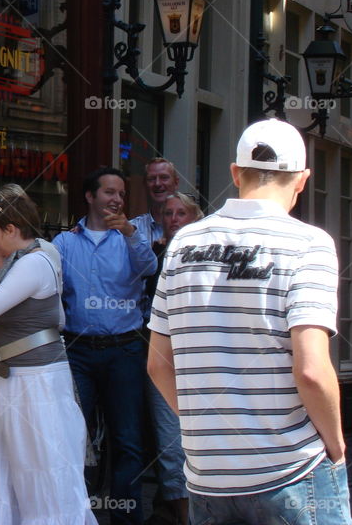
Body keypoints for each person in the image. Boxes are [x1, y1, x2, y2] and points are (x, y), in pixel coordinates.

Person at [148, 119, 352, 524]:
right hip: (290, 469)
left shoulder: (183, 244)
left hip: (207, 479)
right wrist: (337, 445)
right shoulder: (308, 244)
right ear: (302, 180)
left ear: (235, 173)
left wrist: (207, 430)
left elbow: (158, 363)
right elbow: (311, 370)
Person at [0, 185, 95, 525]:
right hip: (11, 378)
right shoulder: (31, 258)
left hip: (35, 382)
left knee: (41, 467)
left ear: (12, 229)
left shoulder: (36, 262)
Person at [53, 166, 157, 525]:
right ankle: (74, 517)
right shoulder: (64, 243)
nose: (116, 199)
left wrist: (130, 233)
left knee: (128, 440)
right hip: (78, 352)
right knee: (73, 437)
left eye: (121, 194)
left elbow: (149, 267)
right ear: (90, 196)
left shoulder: (131, 238)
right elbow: (44, 282)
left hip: (124, 351)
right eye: (109, 192)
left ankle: (126, 520)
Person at [143, 191, 203, 525]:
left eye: (181, 213)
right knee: (169, 444)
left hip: (200, 362)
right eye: (168, 213)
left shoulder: (206, 256)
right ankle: (182, 516)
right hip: (164, 360)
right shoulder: (153, 255)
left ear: (194, 218)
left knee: (201, 440)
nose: (174, 219)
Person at [131, 158, 180, 247]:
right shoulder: (132, 229)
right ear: (145, 185)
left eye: (164, 178)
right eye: (151, 179)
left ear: (176, 183)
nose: (157, 184)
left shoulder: (192, 227)